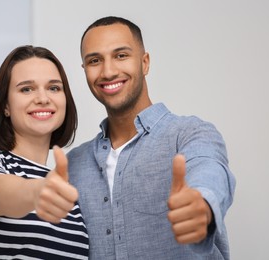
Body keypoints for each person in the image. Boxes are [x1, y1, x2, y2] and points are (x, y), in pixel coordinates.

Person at [67, 16, 236, 259]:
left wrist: (201, 204)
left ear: (145, 62)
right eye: (95, 60)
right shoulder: (74, 163)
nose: (108, 71)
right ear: (84, 70)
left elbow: (210, 170)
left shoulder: (190, 133)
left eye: (121, 55)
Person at [0, 45, 89, 259]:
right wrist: (35, 192)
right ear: (6, 106)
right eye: (26, 89)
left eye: (54, 88)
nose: (43, 98)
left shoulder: (65, 193)